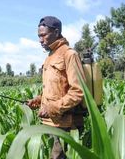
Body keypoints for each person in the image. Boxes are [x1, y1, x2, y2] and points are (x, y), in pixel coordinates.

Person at [26, 16, 86, 159]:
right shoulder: (50, 56)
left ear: (56, 32)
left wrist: (52, 108)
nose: (40, 40)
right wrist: (38, 100)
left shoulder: (69, 54)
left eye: (43, 35)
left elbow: (78, 91)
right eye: (39, 36)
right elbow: (55, 88)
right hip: (51, 123)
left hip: (66, 124)